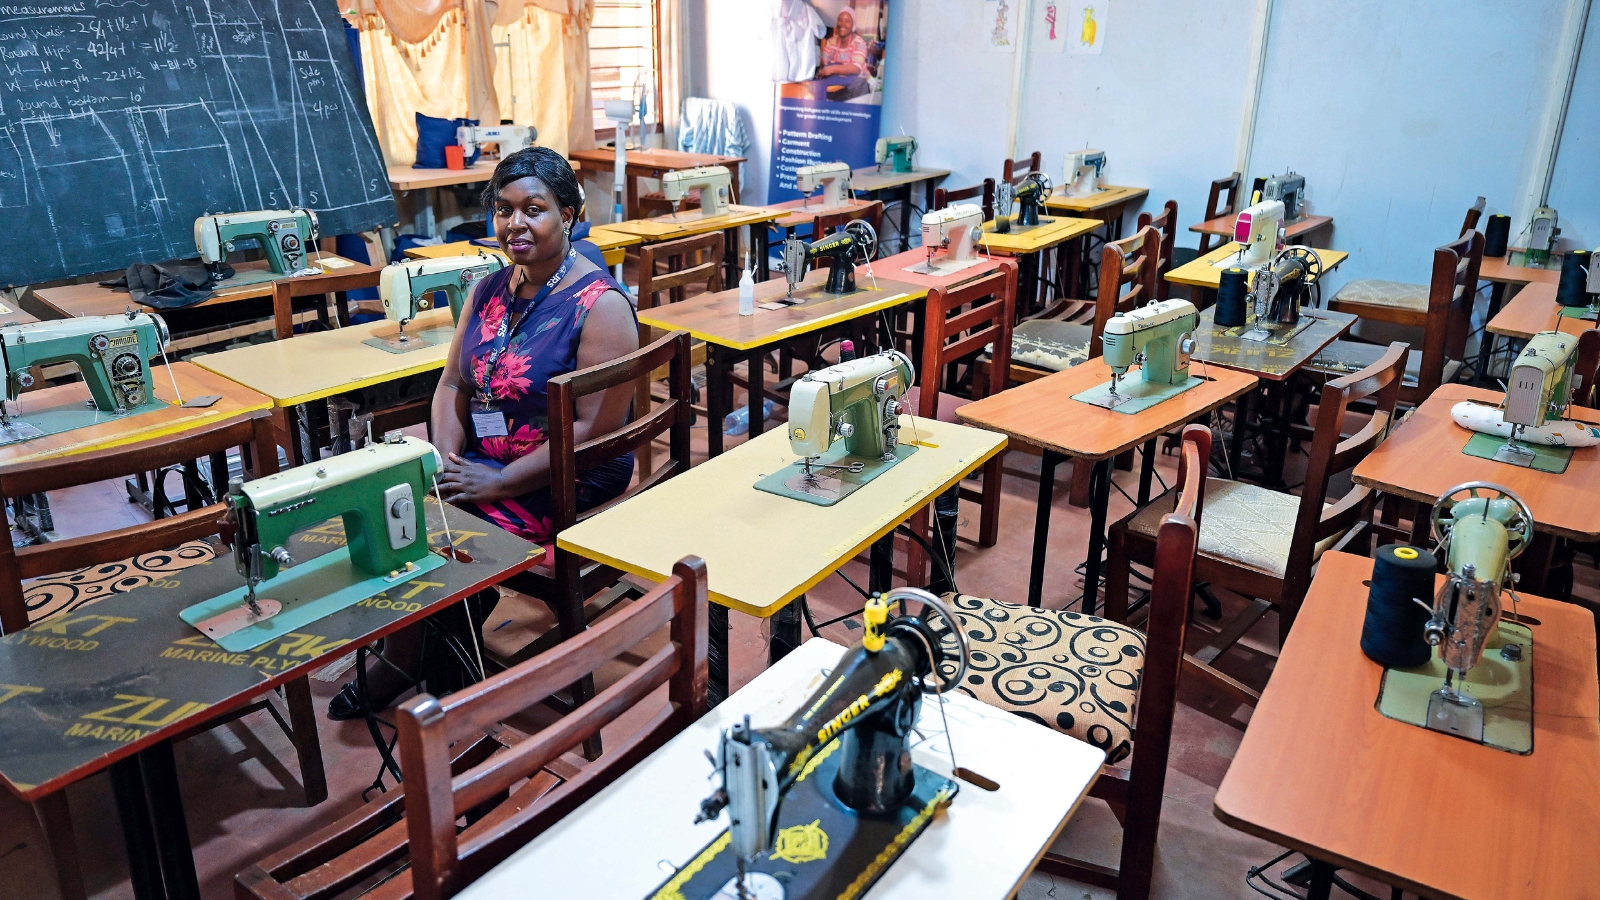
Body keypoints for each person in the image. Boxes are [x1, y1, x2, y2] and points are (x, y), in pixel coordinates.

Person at [328, 147, 639, 719]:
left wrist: (497, 485)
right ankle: (416, 653)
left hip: (568, 471)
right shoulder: (488, 290)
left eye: (533, 209)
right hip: (483, 460)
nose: (514, 224)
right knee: (392, 508)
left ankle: (444, 678)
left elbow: (593, 430)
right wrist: (446, 459)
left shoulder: (602, 307)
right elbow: (453, 385)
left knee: (449, 537)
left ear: (568, 215)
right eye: (503, 209)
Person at [816, 8, 869, 77]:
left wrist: (832, 69)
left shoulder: (859, 43)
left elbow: (856, 68)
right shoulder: (830, 42)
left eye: (847, 21)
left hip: (858, 81)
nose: (843, 24)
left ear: (853, 26)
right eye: (840, 20)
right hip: (837, 80)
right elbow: (824, 63)